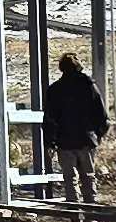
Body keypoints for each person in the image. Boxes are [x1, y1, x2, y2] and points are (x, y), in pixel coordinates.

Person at [41, 51, 109, 207]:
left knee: (70, 178)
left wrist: (49, 142)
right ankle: (91, 214)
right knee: (88, 176)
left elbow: (50, 118)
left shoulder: (55, 89)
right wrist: (100, 133)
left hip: (65, 140)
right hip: (86, 138)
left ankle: (75, 215)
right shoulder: (89, 86)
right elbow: (101, 112)